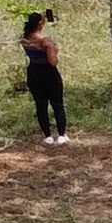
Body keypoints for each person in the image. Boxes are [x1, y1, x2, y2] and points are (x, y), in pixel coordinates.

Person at [21, 12, 69, 142]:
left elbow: (32, 47)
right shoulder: (45, 41)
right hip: (49, 73)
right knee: (57, 104)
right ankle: (61, 135)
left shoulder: (24, 39)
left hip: (34, 72)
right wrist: (55, 49)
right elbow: (53, 61)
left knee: (40, 105)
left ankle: (47, 136)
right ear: (40, 24)